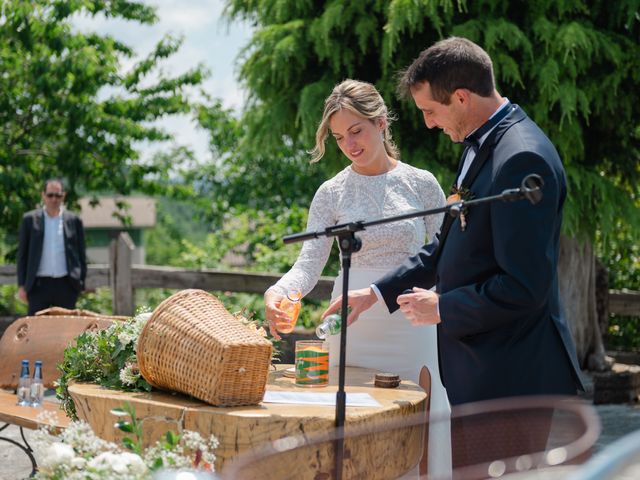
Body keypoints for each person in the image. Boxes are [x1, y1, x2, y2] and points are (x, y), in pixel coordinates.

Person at [325, 38, 585, 407]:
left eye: (430, 110)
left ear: (461, 98)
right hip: (480, 374)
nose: (428, 123)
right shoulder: (479, 145)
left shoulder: (521, 157)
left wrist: (444, 307)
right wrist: (375, 295)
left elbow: (526, 286)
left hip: (511, 380)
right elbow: (445, 246)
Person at [264, 79, 451, 477]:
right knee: (351, 438)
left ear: (381, 123)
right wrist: (279, 292)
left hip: (411, 322)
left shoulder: (422, 184)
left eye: (356, 131)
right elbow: (308, 264)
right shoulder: (331, 192)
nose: (349, 144)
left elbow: (446, 257)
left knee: (416, 435)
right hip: (348, 326)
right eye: (338, 137)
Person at [17, 178, 87, 315]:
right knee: (36, 331)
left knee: (66, 331)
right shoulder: (29, 220)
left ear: (63, 196)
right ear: (43, 195)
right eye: (50, 195)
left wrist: (81, 283)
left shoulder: (74, 220)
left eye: (58, 195)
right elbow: (22, 255)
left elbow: (81, 254)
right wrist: (21, 286)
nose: (54, 199)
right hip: (38, 285)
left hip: (66, 284)